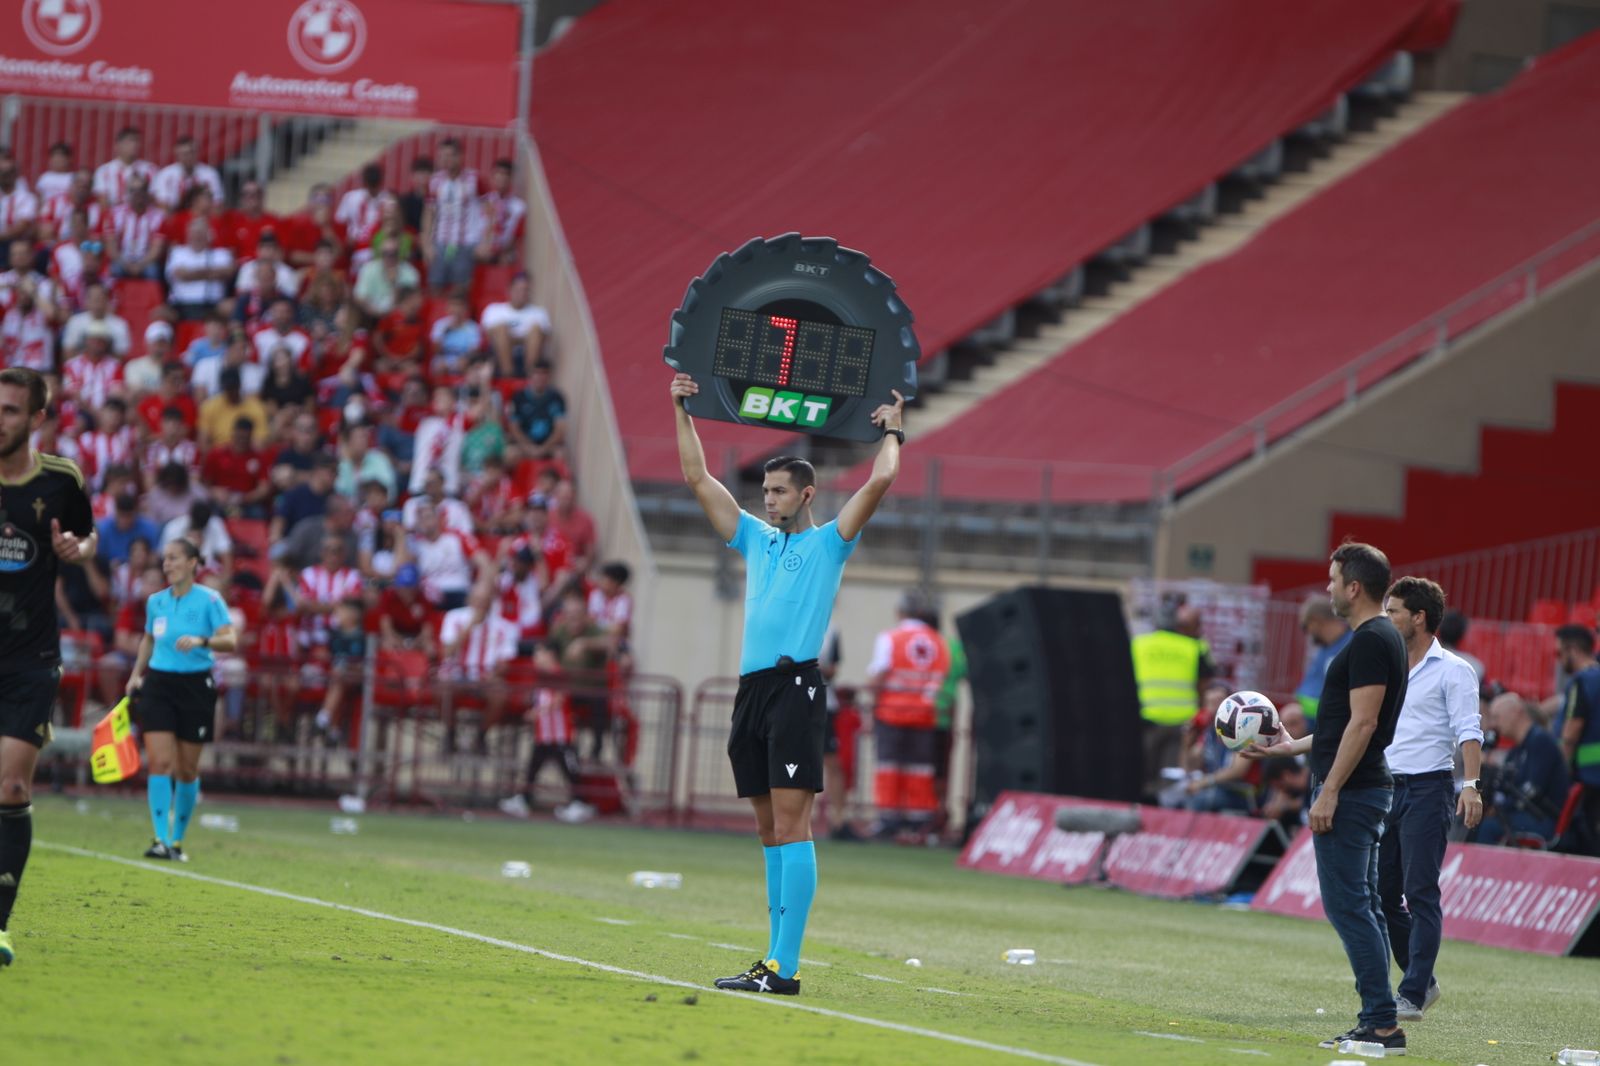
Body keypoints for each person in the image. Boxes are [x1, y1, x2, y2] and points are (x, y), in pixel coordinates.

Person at [671, 369, 905, 996]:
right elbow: (698, 479)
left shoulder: (831, 544)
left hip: (795, 689)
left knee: (794, 825)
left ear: (806, 495)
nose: (766, 499)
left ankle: (786, 966)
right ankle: (772, 959)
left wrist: (895, 431)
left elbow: (881, 478)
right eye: (765, 491)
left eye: (778, 491)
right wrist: (682, 411)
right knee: (769, 828)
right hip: (753, 694)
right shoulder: (754, 540)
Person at [1245, 543, 1409, 1055]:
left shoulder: (1369, 641)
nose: (1328, 588)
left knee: (1349, 908)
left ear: (1354, 587)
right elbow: (1346, 725)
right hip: (1363, 786)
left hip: (1354, 791)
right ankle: (1381, 1019)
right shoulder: (1382, 638)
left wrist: (1330, 791)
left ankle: (1381, 1024)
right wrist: (1288, 747)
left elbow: (1363, 724)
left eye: (1333, 580)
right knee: (1366, 907)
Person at [0, 368, 97, 967]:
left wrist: (76, 551)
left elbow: (87, 538)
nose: (0, 419)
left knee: (11, 786)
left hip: (31, 658)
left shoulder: (62, 480)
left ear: (36, 419)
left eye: (11, 410)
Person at [1377, 576, 1484, 1021]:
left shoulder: (1454, 670)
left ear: (1418, 618)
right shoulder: (1388, 664)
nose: (1388, 618)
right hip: (1386, 788)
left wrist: (1471, 786)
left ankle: (1414, 991)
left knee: (1420, 892)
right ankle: (1423, 980)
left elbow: (1469, 730)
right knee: (1382, 895)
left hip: (1428, 788)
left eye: (1394, 611)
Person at [125, 539, 236, 862]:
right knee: (160, 762)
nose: (167, 564)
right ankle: (160, 838)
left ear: (192, 563)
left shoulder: (210, 600)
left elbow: (230, 639)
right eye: (165, 559)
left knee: (187, 769)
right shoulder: (155, 602)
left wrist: (203, 640)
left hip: (195, 686)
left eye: (174, 558)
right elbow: (148, 639)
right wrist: (136, 674)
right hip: (159, 684)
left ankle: (177, 841)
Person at [865, 590, 950, 842]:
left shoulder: (891, 637)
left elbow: (879, 674)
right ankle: (918, 821)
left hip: (892, 713)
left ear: (900, 612)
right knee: (920, 770)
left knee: (889, 767)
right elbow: (941, 676)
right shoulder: (938, 641)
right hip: (925, 715)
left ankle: (888, 820)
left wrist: (872, 707)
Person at [498, 643, 594, 823]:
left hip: (559, 734)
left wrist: (537, 712)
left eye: (539, 653)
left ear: (550, 654)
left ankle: (579, 803)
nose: (536, 658)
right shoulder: (541, 677)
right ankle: (524, 799)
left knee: (569, 770)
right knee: (532, 769)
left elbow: (558, 700)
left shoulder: (557, 675)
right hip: (544, 734)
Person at [1131, 603, 1218, 796]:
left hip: (1147, 718)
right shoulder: (1195, 647)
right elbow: (1205, 685)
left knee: (1142, 774)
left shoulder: (1139, 644)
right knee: (1169, 779)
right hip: (1183, 721)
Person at [1478, 691, 1570, 846]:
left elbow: (1531, 790)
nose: (1493, 724)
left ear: (1516, 713)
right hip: (1527, 816)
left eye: (1496, 717)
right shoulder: (1518, 749)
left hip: (1543, 819)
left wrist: (1501, 807)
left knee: (1488, 828)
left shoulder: (1540, 742)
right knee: (1477, 822)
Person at [1553, 624, 1600, 848]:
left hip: (1587, 779)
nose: (1559, 660)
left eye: (1559, 653)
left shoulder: (1581, 681)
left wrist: (1560, 773)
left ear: (1572, 650)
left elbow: (1571, 733)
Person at [1296, 596, 1351, 723]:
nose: (1307, 633)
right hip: (1312, 721)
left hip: (1331, 722)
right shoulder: (1324, 649)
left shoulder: (1352, 644)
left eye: (1305, 627)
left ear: (1316, 620)